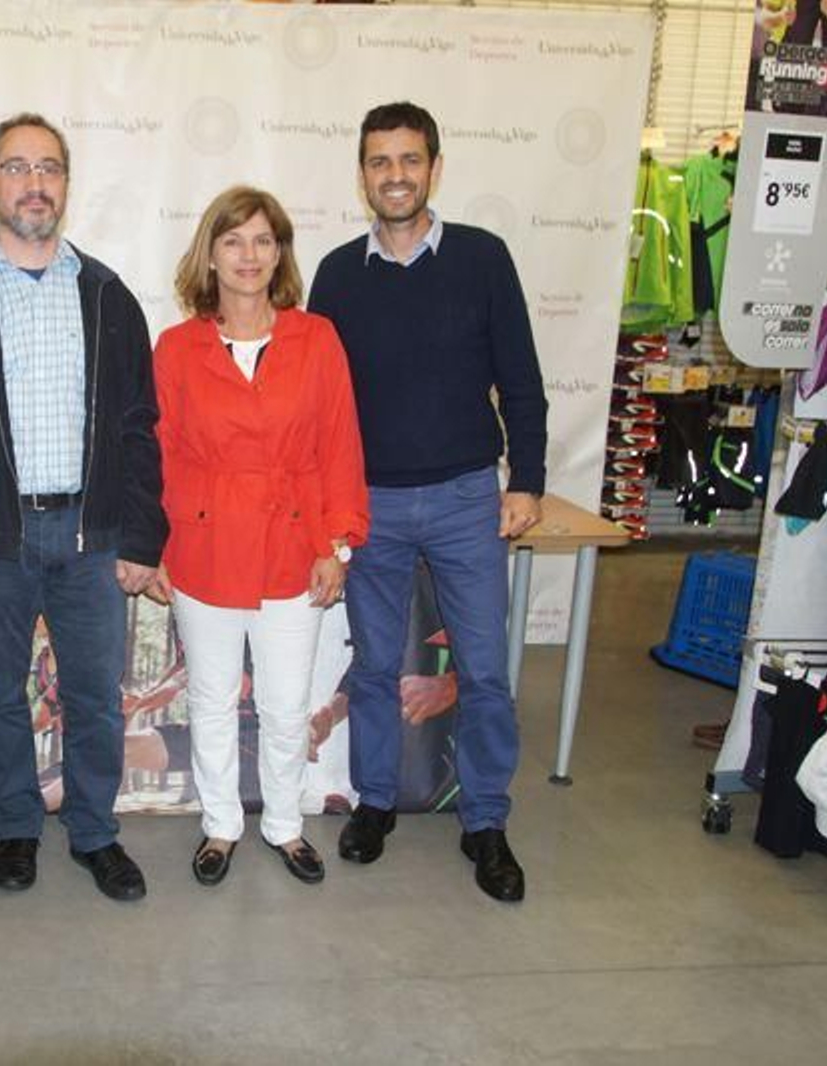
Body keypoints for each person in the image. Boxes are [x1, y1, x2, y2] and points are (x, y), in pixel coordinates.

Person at [0, 113, 166, 902]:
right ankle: (16, 826)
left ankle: (94, 833)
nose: (34, 183)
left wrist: (142, 536)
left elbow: (139, 428)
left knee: (93, 698)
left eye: (49, 168)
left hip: (93, 533)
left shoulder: (109, 297)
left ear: (66, 187)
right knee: (3, 690)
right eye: (16, 168)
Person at [308, 101, 549, 903]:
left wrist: (527, 481)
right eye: (380, 162)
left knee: (483, 672)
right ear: (363, 174)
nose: (396, 176)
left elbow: (521, 381)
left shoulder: (484, 259)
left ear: (434, 168)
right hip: (368, 503)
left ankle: (485, 821)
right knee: (374, 667)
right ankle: (375, 804)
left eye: (410, 160)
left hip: (463, 499)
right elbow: (321, 404)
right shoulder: (338, 274)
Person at [146, 186, 368, 887]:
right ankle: (220, 826)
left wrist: (339, 545)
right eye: (234, 241)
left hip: (294, 549)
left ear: (280, 254)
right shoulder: (177, 348)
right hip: (204, 548)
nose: (249, 255)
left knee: (284, 705)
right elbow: (162, 451)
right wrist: (155, 546)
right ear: (210, 255)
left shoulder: (318, 337)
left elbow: (340, 447)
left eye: (263, 241)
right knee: (211, 700)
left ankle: (284, 825)